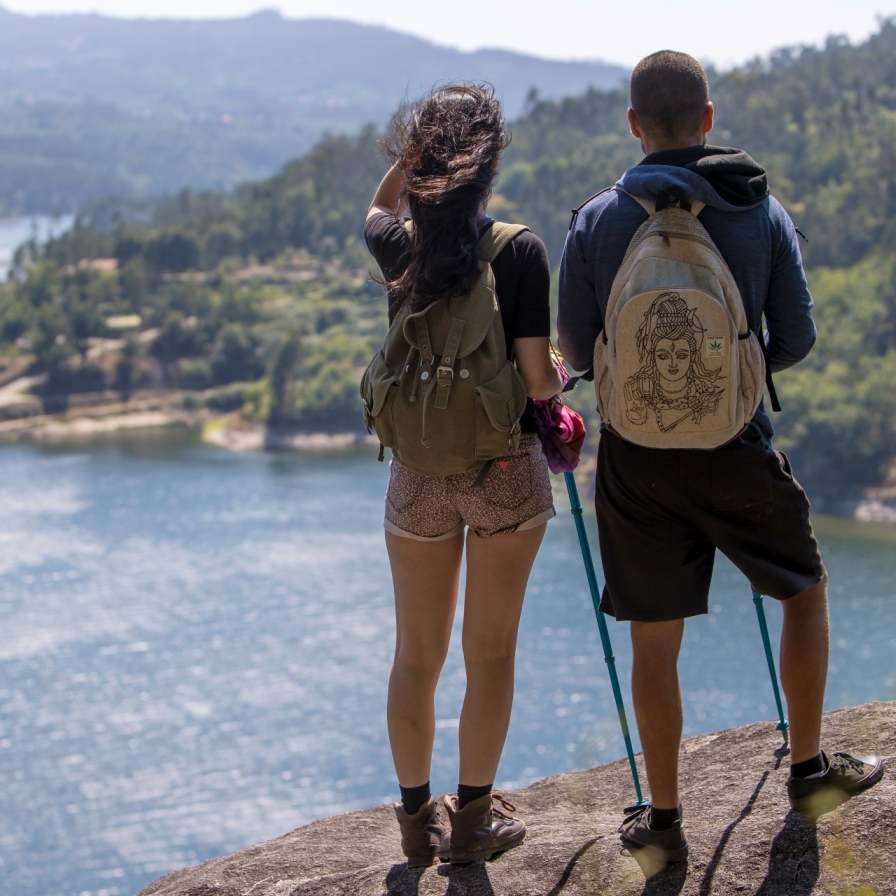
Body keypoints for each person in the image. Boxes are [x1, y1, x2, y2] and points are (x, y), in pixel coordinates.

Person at [556, 51, 883, 869]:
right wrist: (733, 371)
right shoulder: (757, 211)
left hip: (637, 466)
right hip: (736, 449)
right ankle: (809, 772)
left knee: (653, 644)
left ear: (634, 126)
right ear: (708, 119)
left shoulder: (596, 221)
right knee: (803, 594)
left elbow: (578, 352)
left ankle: (663, 820)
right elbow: (797, 338)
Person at [364, 83, 564, 868]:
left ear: (419, 165)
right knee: (491, 654)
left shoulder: (397, 245)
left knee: (416, 655)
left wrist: (408, 165)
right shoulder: (518, 250)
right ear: (489, 167)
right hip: (503, 470)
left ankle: (418, 826)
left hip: (416, 473)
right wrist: (560, 373)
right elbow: (537, 382)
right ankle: (475, 819)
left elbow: (374, 209)